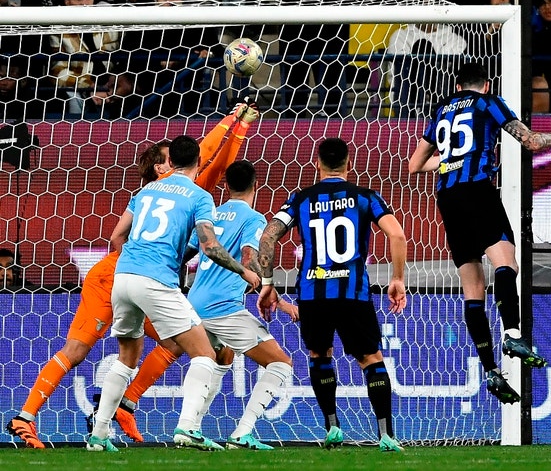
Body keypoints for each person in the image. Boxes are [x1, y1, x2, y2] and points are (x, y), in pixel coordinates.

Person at [5, 102, 258, 449]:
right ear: (160, 167)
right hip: (132, 277)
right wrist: (234, 121)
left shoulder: (148, 194)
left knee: (156, 347)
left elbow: (209, 160)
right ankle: (33, 416)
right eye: (168, 157)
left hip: (122, 273)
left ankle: (111, 414)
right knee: (189, 348)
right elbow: (208, 154)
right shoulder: (186, 191)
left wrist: (238, 125)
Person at [408, 62, 551, 404]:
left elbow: (415, 164)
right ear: (486, 85)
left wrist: (450, 161)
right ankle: (512, 334)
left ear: (457, 86)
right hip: (477, 191)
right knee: (506, 262)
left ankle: (490, 370)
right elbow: (531, 141)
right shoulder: (488, 102)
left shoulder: (442, 110)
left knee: (473, 287)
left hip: (448, 198)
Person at [87, 135, 261, 453]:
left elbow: (116, 236)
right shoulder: (200, 196)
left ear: (171, 161)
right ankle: (188, 428)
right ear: (199, 162)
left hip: (123, 277)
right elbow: (210, 246)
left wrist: (134, 263)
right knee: (205, 353)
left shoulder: (145, 191)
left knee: (127, 357)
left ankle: (98, 436)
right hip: (156, 280)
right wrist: (244, 271)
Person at [257, 137, 407, 452]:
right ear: (349, 164)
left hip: (313, 294)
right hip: (353, 293)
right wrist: (397, 278)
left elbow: (268, 236)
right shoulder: (365, 196)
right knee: (370, 359)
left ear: (318, 164)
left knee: (319, 355)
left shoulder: (300, 199)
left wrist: (268, 282)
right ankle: (386, 435)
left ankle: (332, 426)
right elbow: (397, 234)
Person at [184, 159, 295, 451]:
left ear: (225, 185)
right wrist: (268, 288)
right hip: (223, 307)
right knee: (280, 363)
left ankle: (191, 428)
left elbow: (187, 253)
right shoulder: (254, 218)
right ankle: (242, 433)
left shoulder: (211, 215)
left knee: (221, 358)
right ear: (256, 185)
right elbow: (249, 258)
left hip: (195, 302)